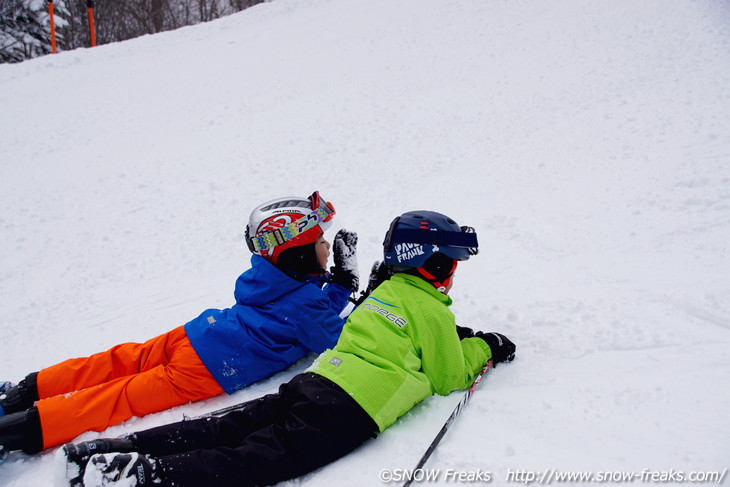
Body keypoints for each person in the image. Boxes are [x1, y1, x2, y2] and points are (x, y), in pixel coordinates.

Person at [59, 210, 516, 487]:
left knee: (225, 426)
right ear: (433, 265)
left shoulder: (382, 295)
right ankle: (138, 478)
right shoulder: (432, 312)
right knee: (257, 457)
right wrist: (483, 346)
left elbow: (384, 331)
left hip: (318, 380)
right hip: (352, 407)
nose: (453, 272)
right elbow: (449, 377)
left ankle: (115, 447)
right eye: (452, 264)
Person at [0, 191, 359, 457]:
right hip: (207, 369)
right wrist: (349, 285)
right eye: (320, 241)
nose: (328, 246)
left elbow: (305, 309)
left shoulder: (270, 278)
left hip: (198, 332)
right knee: (118, 398)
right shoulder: (306, 302)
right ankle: (18, 431)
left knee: (121, 360)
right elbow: (338, 336)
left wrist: (337, 285)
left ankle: (22, 393)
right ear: (295, 251)